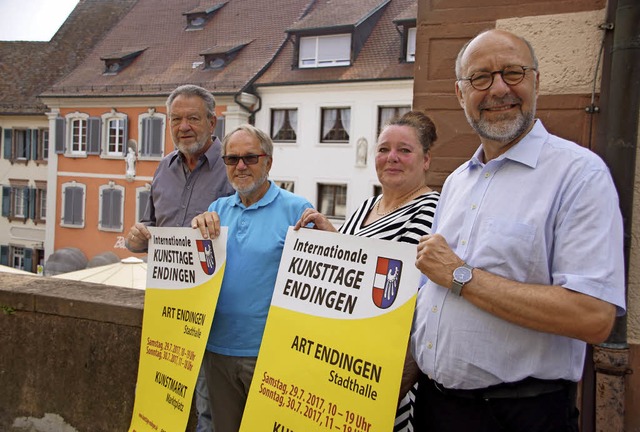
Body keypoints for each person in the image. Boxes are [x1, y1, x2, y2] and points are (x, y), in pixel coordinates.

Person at [409, 29, 626, 431]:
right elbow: (432, 300)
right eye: (480, 78)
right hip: (435, 408)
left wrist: (462, 276)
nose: (498, 89)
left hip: (520, 416)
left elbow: (594, 316)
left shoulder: (578, 174)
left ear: (536, 82)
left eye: (512, 73)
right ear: (460, 94)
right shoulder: (458, 181)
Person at [294, 110, 440, 432]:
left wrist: (388, 387)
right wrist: (328, 240)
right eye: (384, 149)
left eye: (405, 150)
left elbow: (410, 301)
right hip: (340, 364)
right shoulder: (364, 207)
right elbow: (353, 268)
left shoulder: (433, 212)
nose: (392, 158)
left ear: (426, 160)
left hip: (383, 374)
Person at [125, 84, 234, 432]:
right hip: (167, 308)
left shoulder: (234, 166)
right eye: (176, 119)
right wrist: (135, 240)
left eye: (192, 118)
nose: (183, 126)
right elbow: (150, 228)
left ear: (212, 122)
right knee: (162, 400)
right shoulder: (163, 168)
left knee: (207, 410)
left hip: (215, 310)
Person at [191, 124, 313, 432]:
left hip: (269, 355)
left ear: (268, 162)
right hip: (217, 351)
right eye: (232, 159)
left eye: (250, 158)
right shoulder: (216, 210)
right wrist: (193, 233)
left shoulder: (296, 209)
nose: (241, 166)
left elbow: (322, 275)